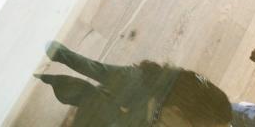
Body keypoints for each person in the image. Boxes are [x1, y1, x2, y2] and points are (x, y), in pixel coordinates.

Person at [36, 41, 233, 126]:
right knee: (94, 87)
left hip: (140, 82)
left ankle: (56, 55)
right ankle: (56, 72)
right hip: (137, 93)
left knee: (96, 71)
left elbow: (181, 78)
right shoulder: (191, 117)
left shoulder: (204, 101)